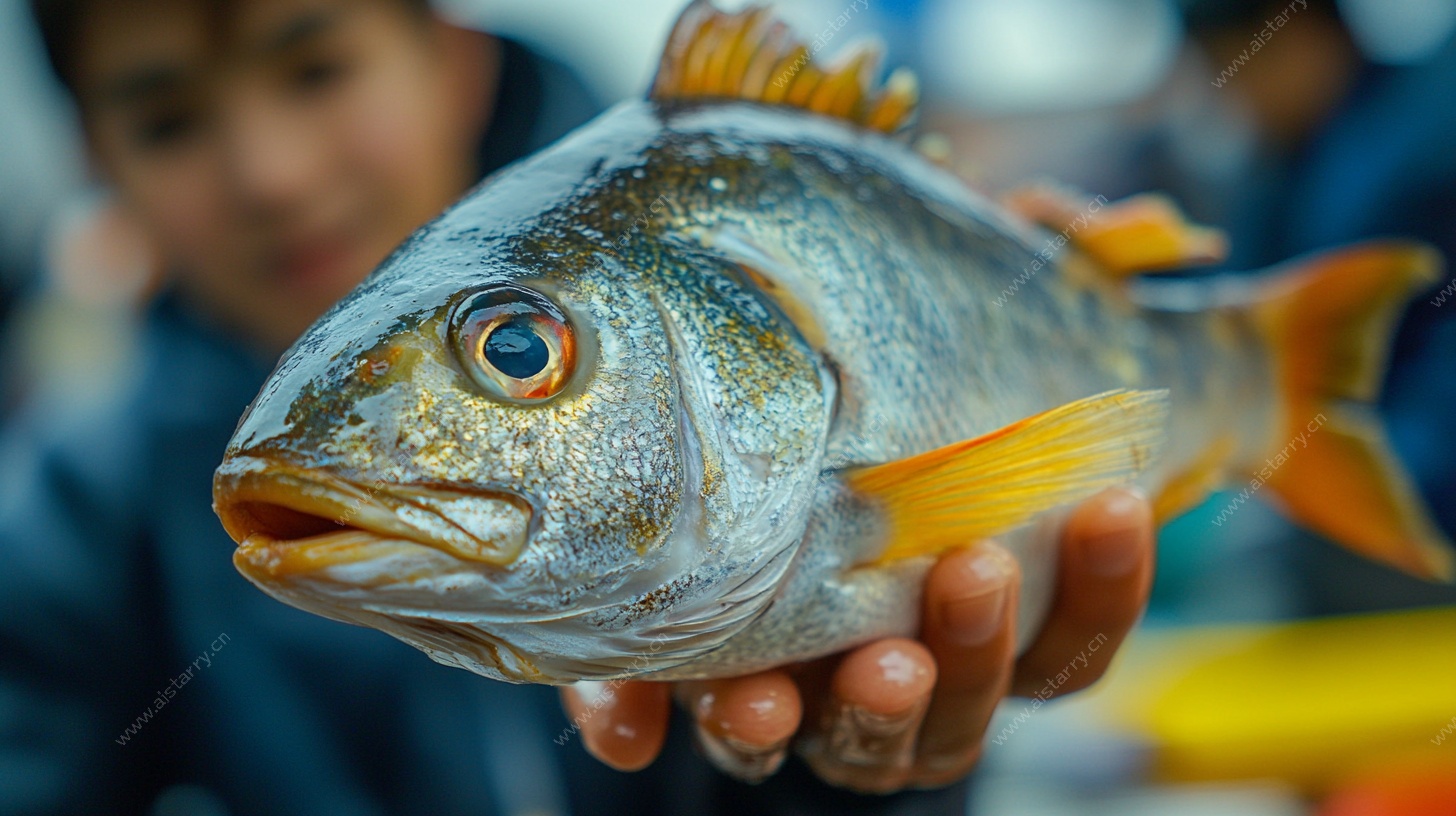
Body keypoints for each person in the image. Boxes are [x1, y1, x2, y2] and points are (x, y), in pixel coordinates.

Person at [0, 0, 1157, 812]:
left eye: (315, 68)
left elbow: (1085, 457)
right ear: (97, 160)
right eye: (167, 121)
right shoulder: (70, 534)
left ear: (453, 60)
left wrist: (853, 778)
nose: (271, 172)